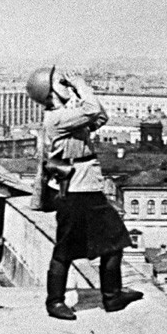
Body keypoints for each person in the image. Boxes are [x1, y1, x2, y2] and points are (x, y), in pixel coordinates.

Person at [27, 67, 139, 320]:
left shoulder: (66, 114)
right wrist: (80, 84)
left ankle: (112, 296)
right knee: (68, 247)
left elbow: (100, 117)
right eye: (61, 83)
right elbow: (91, 110)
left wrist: (77, 96)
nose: (67, 84)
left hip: (85, 187)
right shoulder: (56, 118)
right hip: (75, 189)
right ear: (51, 91)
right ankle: (56, 302)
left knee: (114, 241)